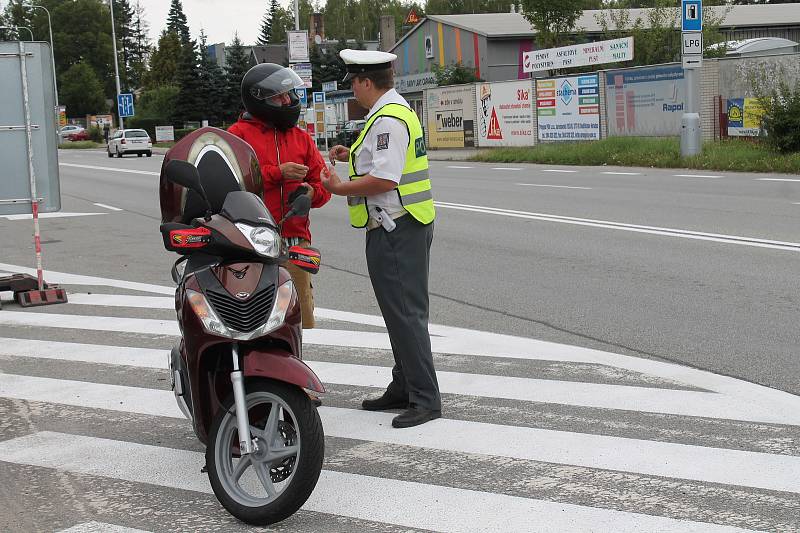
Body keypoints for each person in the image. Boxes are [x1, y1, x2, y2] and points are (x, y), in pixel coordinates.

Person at [321, 49, 440, 429]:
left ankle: (425, 399)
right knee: (398, 313)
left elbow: (386, 180)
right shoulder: (390, 113)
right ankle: (404, 386)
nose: (353, 90)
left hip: (397, 228)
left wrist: (339, 187)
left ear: (367, 82)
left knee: (406, 315)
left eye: (354, 83)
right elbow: (382, 162)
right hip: (399, 225)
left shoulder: (388, 119)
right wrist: (351, 154)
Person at [228, 63, 331, 329]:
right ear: (258, 98)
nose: (288, 100)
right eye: (280, 96)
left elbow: (323, 186)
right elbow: (233, 182)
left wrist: (309, 193)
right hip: (250, 241)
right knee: (252, 314)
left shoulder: (301, 138)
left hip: (295, 239)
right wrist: (277, 174)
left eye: (290, 94)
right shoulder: (237, 136)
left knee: (298, 317)